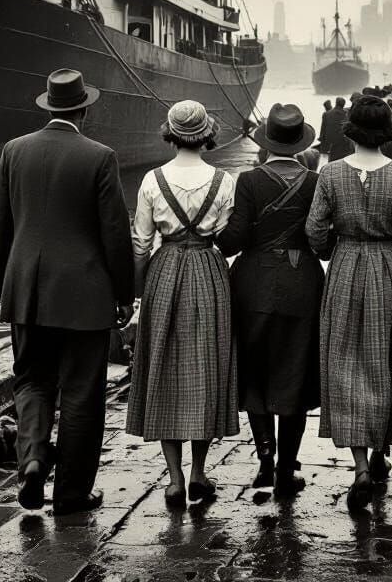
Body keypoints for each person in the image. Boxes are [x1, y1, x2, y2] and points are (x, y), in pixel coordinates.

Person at [0, 68, 135, 516]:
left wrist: (4, 289)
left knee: (31, 379)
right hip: (85, 297)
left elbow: (0, 228)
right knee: (81, 393)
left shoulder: (14, 151)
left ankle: (32, 458)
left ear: (49, 106)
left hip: (27, 291)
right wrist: (124, 294)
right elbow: (115, 233)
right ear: (84, 109)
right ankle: (72, 493)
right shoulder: (100, 156)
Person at [305, 96, 392, 513]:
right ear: (390, 130)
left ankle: (360, 466)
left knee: (345, 363)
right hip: (390, 268)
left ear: (351, 129)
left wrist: (329, 253)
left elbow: (315, 228)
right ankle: (381, 448)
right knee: (390, 360)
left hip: (345, 268)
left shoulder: (331, 173)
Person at [126, 101, 239, 509]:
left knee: (163, 370)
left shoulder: (152, 180)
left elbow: (140, 241)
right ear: (207, 133)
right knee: (207, 368)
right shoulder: (224, 180)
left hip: (165, 270)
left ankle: (173, 480)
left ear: (169, 134)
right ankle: (198, 473)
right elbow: (228, 237)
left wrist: (138, 290)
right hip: (208, 271)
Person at [217, 105, 324, 497]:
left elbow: (234, 239)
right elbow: (321, 242)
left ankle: (264, 456)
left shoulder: (247, 180)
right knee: (295, 370)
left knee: (255, 366)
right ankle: (285, 468)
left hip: (254, 283)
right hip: (302, 283)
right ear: (300, 142)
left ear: (267, 141)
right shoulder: (316, 180)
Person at [320, 97, 352, 162]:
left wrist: (323, 148)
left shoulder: (326, 114)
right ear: (343, 105)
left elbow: (323, 131)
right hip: (343, 144)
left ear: (336, 103)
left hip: (329, 143)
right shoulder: (347, 114)